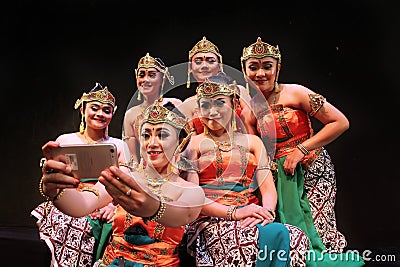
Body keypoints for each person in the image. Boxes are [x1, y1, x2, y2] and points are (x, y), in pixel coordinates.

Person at [240, 37, 364, 266]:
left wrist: (300, 149)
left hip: (312, 168)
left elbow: (340, 122)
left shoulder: (296, 92)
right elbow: (254, 151)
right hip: (278, 177)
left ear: (277, 68)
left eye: (267, 66)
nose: (260, 73)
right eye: (253, 67)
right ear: (244, 70)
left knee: (320, 233)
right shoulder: (248, 108)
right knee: (290, 237)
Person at [39, 100, 205, 266]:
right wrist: (56, 191)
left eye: (162, 135)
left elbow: (184, 213)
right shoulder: (125, 176)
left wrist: (152, 206)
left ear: (180, 142)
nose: (152, 143)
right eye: (146, 135)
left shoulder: (188, 189)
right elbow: (82, 204)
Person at [183, 73, 310, 267]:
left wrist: (266, 213)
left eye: (219, 103)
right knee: (248, 242)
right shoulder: (194, 144)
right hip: (209, 220)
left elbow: (267, 189)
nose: (212, 111)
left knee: (296, 238)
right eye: (206, 105)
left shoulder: (253, 142)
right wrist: (234, 213)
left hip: (250, 215)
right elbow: (193, 199)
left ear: (234, 104)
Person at [31, 82, 129, 267]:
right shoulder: (65, 140)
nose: (100, 114)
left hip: (104, 203)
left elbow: (124, 182)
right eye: (95, 108)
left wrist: (113, 206)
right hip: (72, 197)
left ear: (112, 115)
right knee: (71, 222)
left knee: (113, 226)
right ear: (83, 110)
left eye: (106, 110)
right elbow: (57, 180)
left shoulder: (118, 145)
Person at [179, 36, 250, 135]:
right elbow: (190, 142)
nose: (204, 66)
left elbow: (251, 126)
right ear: (190, 67)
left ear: (220, 65)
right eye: (198, 61)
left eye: (210, 61)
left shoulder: (238, 91)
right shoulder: (187, 104)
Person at [123, 52, 182, 163]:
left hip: (173, 167)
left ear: (162, 79)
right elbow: (132, 157)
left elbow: (185, 144)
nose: (145, 80)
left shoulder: (175, 104)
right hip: (146, 169)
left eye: (151, 75)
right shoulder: (131, 114)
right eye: (141, 75)